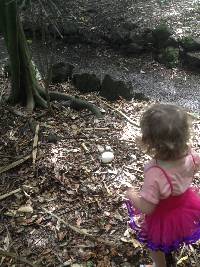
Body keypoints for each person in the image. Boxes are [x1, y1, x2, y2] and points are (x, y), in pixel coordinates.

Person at [125, 103, 200, 267]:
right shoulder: (191, 154)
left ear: (150, 142)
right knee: (174, 236)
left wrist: (131, 195)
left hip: (163, 216)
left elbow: (147, 207)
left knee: (156, 244)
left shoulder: (155, 172)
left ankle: (160, 265)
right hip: (185, 206)